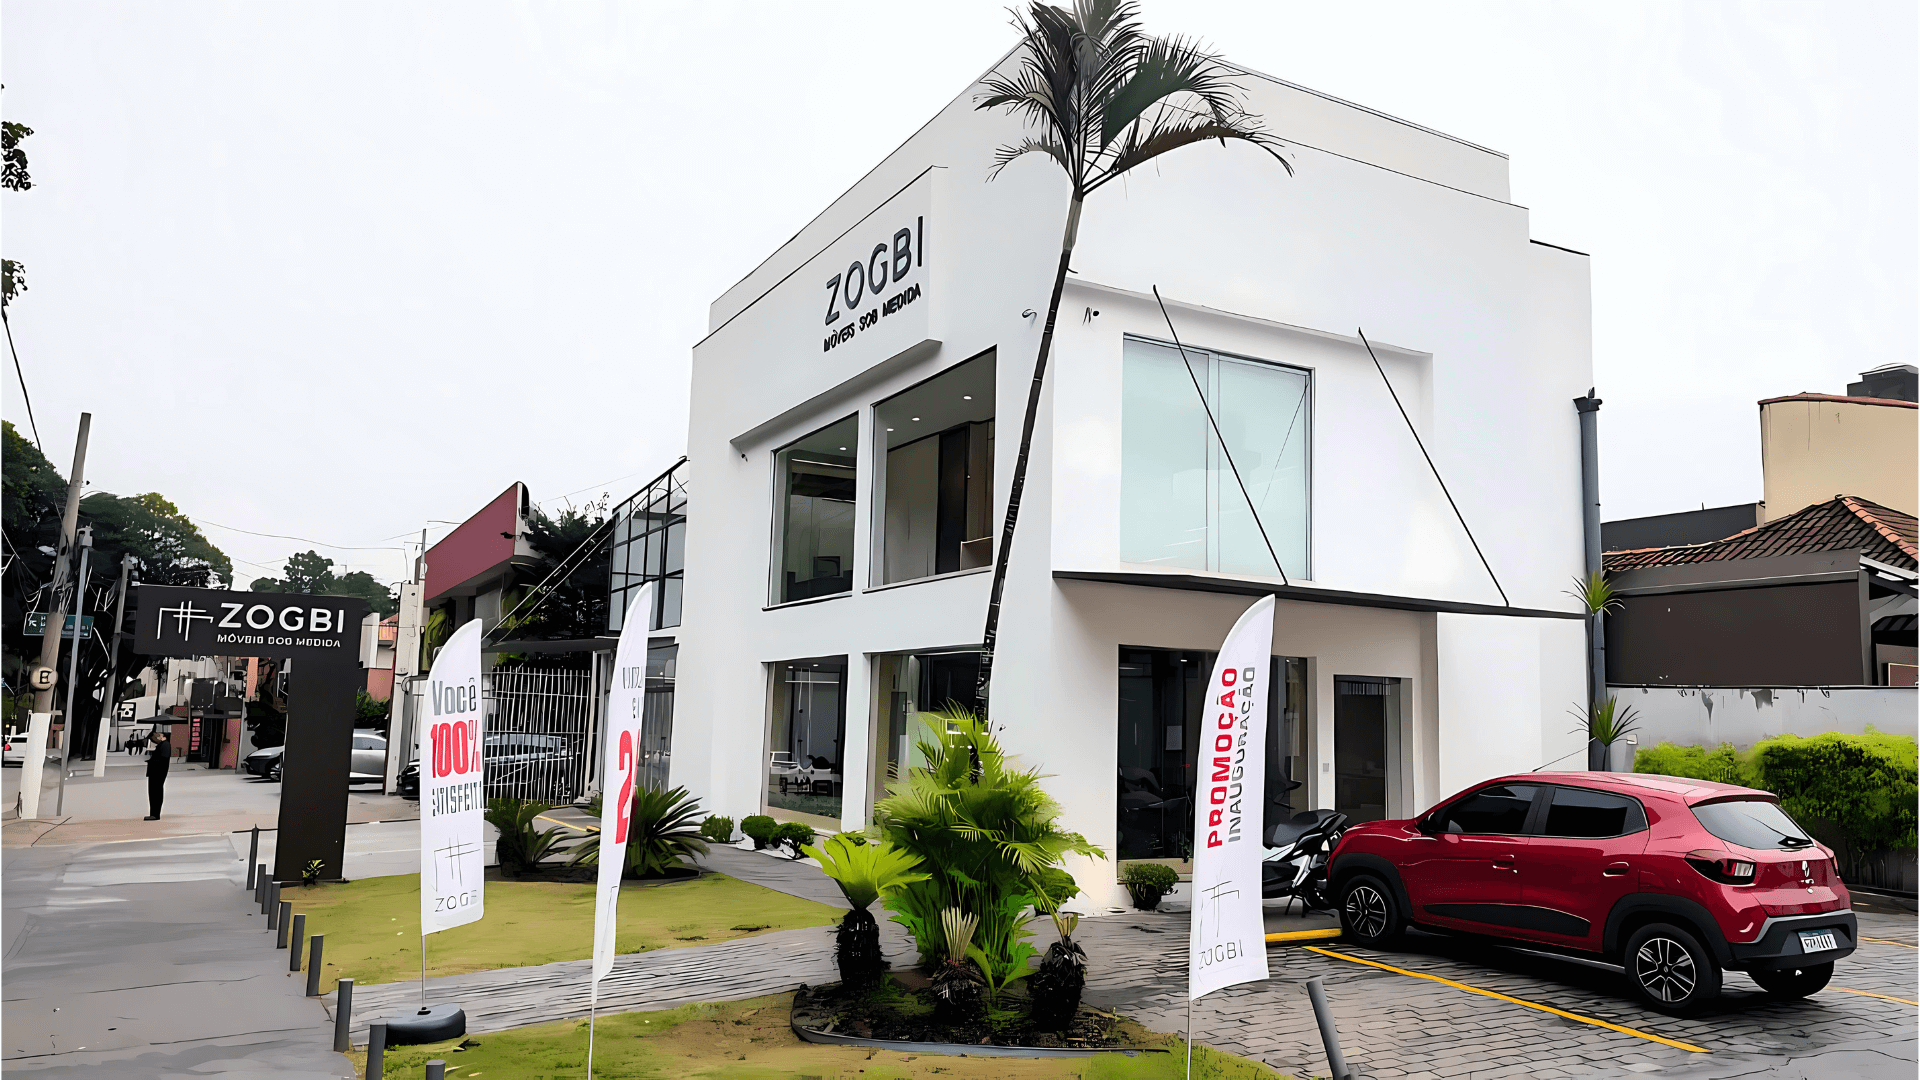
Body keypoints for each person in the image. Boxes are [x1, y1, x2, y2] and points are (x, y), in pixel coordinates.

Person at [144, 732, 171, 820]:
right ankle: (154, 813)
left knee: (155, 792)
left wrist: (153, 761)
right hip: (157, 771)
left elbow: (163, 758)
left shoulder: (165, 745)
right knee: (154, 792)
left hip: (157, 772)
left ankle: (155, 814)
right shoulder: (163, 745)